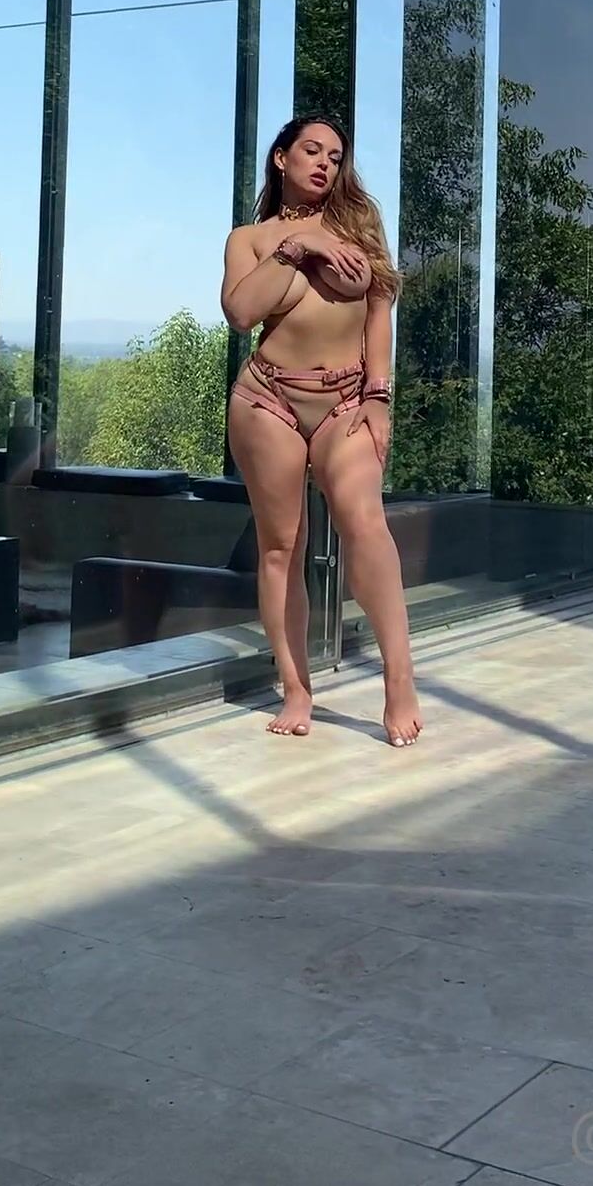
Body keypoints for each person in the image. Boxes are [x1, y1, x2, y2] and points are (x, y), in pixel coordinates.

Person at [221, 115, 421, 746]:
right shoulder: (249, 239)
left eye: (335, 157)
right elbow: (240, 312)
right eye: (312, 151)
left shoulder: (359, 224)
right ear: (281, 158)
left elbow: (380, 311)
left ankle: (399, 680)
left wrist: (379, 396)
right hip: (268, 399)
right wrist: (295, 247)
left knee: (365, 524)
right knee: (281, 547)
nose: (324, 164)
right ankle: (296, 688)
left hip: (348, 401)